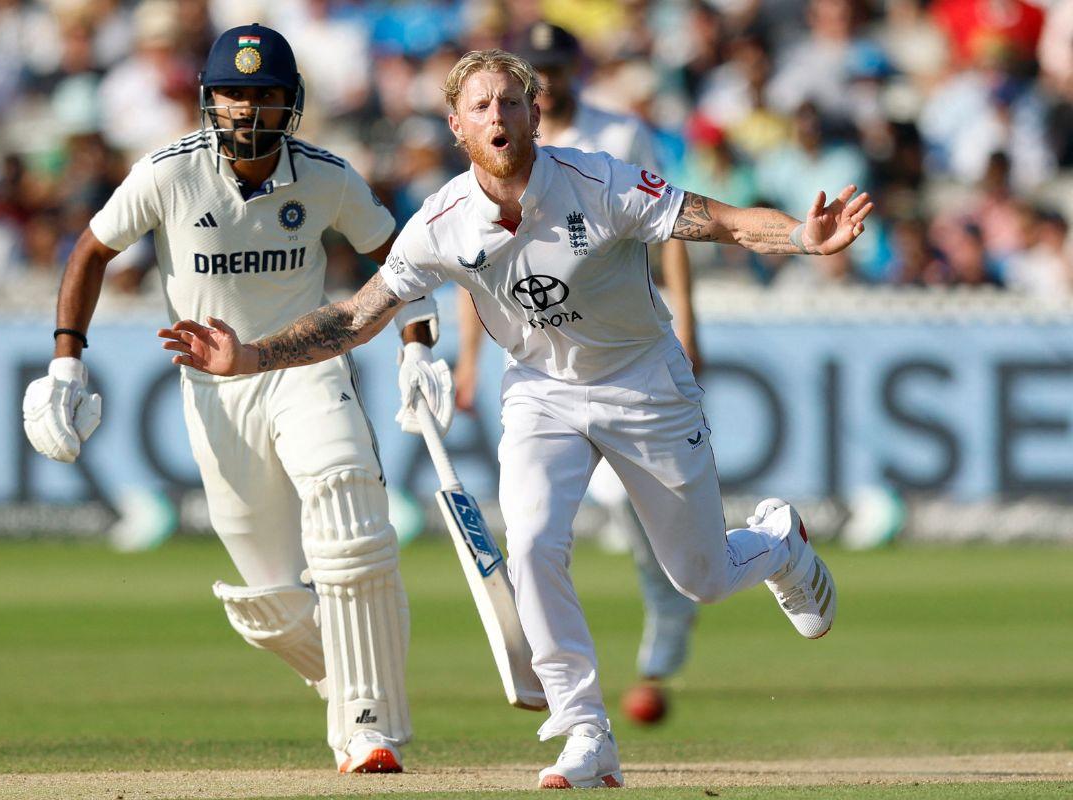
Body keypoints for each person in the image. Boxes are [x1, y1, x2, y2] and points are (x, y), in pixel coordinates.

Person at [159, 49, 869, 789]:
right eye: (480, 106)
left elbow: (719, 221)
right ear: (457, 126)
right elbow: (354, 317)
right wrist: (250, 358)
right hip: (540, 393)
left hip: (643, 383)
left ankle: (779, 546)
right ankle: (585, 731)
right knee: (528, 544)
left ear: (534, 113)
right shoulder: (441, 222)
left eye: (510, 102)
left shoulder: (599, 181)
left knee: (702, 577)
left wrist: (801, 237)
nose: (497, 115)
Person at [22, 24, 453, 774]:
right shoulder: (168, 173)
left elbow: (399, 258)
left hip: (306, 368)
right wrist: (66, 364)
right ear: (208, 99)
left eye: (263, 94)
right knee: (270, 603)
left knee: (348, 509)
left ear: (291, 103)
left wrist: (418, 343)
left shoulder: (325, 176)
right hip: (216, 393)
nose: (246, 109)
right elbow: (91, 250)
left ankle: (367, 728)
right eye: (231, 93)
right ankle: (356, 686)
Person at [450, 22, 700, 723]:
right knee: (535, 531)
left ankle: (669, 601)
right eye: (539, 67)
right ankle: (577, 700)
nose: (549, 78)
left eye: (557, 65)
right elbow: (473, 266)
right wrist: (468, 359)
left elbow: (670, 227)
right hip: (539, 359)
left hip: (622, 349)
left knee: (636, 506)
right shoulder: (494, 147)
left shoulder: (618, 134)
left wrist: (687, 320)